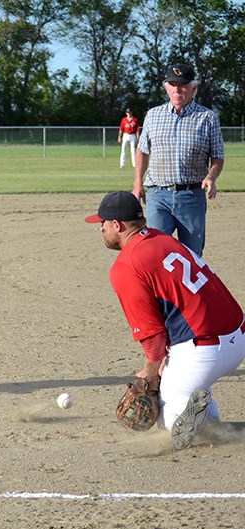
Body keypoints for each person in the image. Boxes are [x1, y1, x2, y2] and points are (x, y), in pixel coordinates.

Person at [85, 190, 245, 450]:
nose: (100, 228)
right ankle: (205, 413)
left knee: (169, 422)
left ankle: (195, 416)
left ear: (117, 225)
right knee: (181, 380)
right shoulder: (161, 238)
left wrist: (149, 374)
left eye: (103, 223)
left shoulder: (126, 266)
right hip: (238, 336)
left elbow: (152, 336)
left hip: (205, 350)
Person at [133, 63, 225, 257]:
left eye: (182, 85)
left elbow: (218, 156)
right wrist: (137, 183)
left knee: (192, 256)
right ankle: (159, 289)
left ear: (194, 88)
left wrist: (211, 177)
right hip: (158, 195)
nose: (177, 90)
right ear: (166, 87)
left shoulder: (208, 118)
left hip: (191, 196)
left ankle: (188, 289)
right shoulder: (153, 115)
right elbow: (142, 151)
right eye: (172, 84)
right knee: (155, 252)